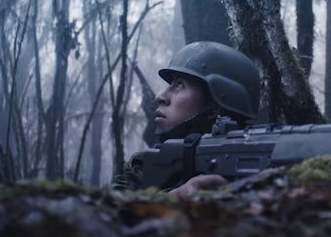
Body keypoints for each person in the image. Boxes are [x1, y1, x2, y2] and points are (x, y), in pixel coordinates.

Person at [111, 40, 261, 197]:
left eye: (180, 85)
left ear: (214, 108)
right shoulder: (142, 166)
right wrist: (175, 198)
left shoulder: (256, 162)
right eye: (172, 84)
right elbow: (109, 214)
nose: (160, 96)